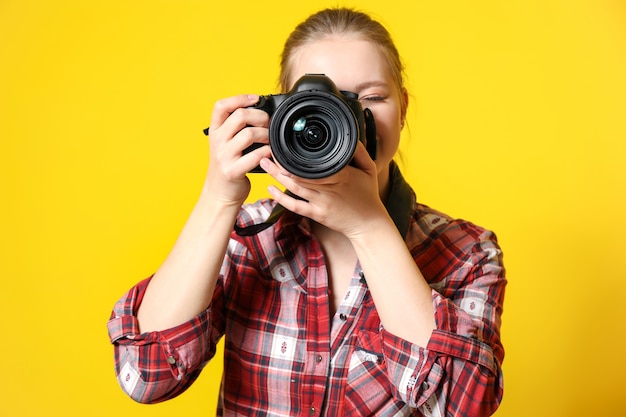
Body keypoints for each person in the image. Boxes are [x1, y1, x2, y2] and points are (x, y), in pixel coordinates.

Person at [107, 7, 506, 417]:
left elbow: (465, 406)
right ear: (278, 116)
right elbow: (145, 375)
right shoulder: (247, 239)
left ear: (402, 108)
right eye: (318, 104)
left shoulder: (467, 252)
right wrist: (219, 197)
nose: (348, 120)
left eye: (370, 98)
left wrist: (368, 227)